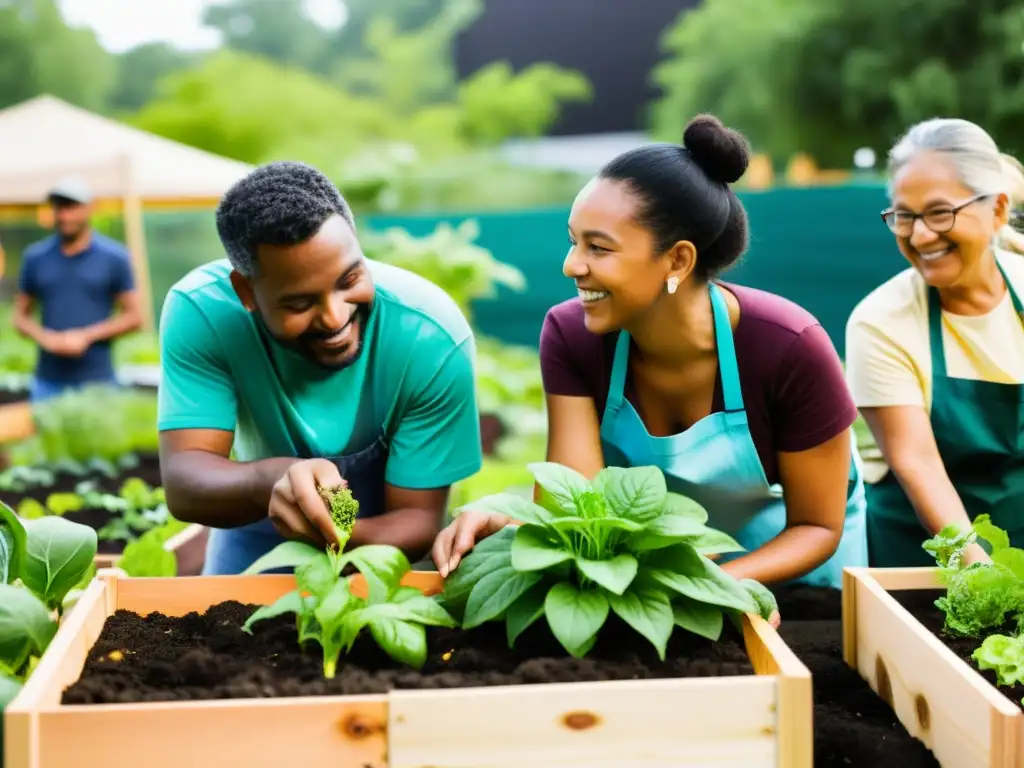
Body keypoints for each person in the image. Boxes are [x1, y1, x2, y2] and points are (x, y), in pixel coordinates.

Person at [433, 115, 869, 594]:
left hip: (795, 588)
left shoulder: (789, 346)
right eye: (573, 240)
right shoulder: (572, 333)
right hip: (655, 585)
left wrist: (707, 586)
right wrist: (508, 518)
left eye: (598, 248)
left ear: (678, 260)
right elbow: (574, 506)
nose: (571, 265)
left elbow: (816, 527)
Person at [158, 161, 483, 575]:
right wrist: (273, 478)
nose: (334, 317)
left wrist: (331, 531)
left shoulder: (429, 337)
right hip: (257, 531)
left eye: (349, 280)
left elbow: (417, 520)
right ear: (247, 292)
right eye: (299, 303)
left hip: (383, 547)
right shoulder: (203, 314)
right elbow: (186, 481)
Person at [846, 118, 1024, 567]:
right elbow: (918, 465)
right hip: (925, 575)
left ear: (997, 210)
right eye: (904, 215)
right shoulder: (881, 321)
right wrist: (986, 584)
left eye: (941, 212)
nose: (921, 234)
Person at [12, 178, 142, 402]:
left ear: (89, 208)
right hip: (47, 382)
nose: (64, 216)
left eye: (71, 207)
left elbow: (135, 316)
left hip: (98, 382)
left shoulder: (114, 257)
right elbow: (20, 317)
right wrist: (47, 339)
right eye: (59, 208)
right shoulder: (35, 257)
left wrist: (86, 336)